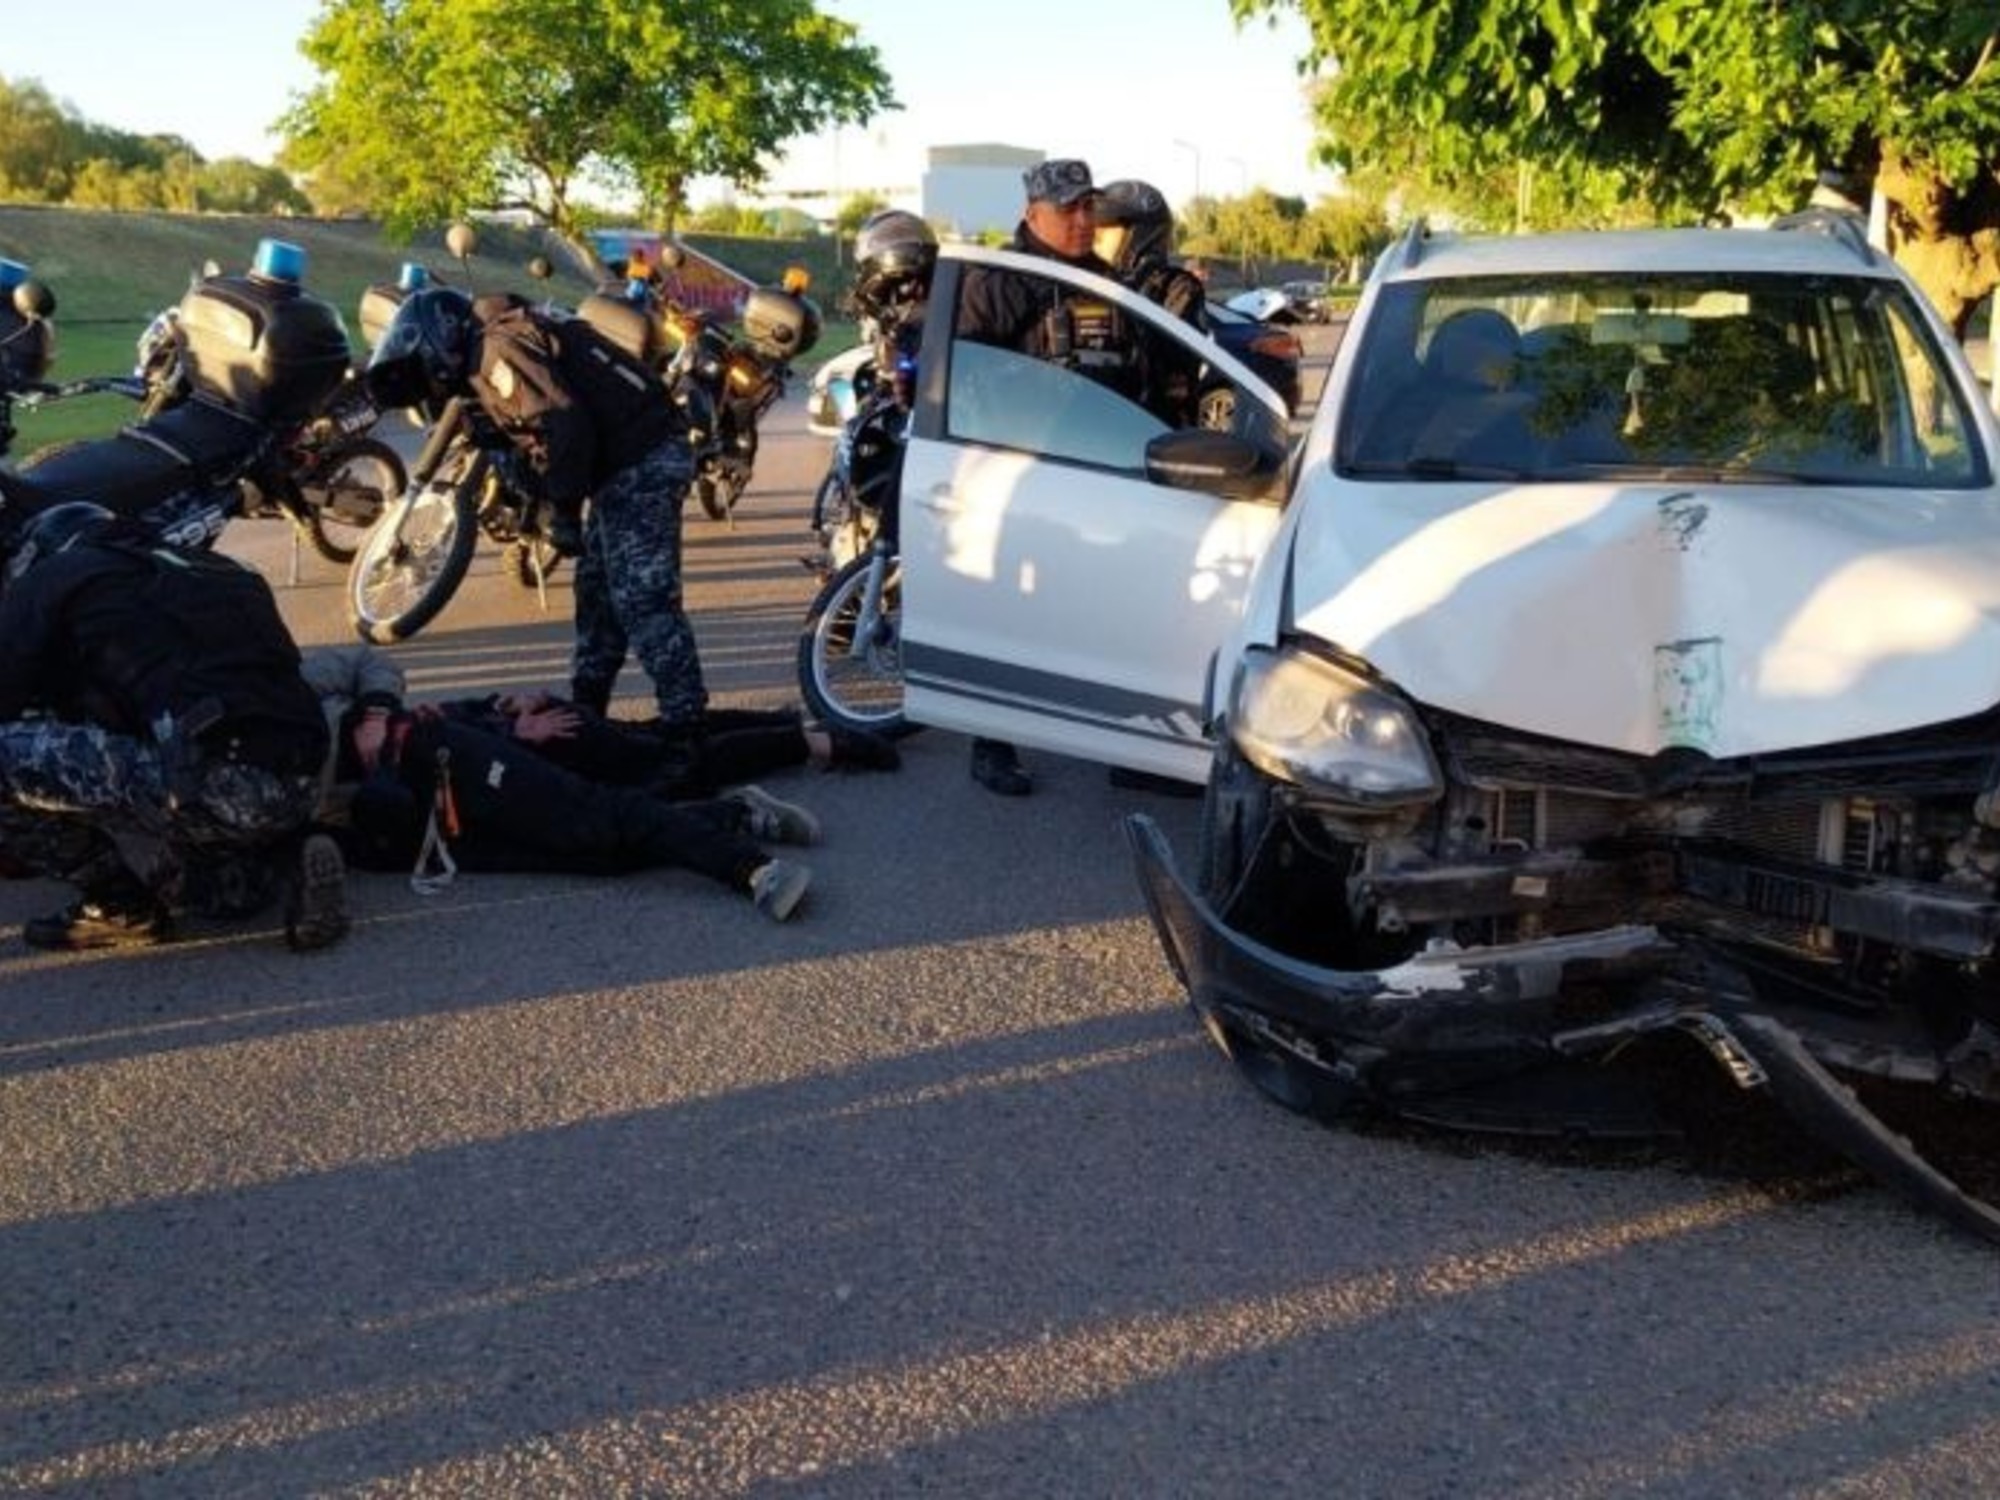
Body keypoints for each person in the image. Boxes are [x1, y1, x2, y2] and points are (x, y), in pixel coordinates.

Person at [365, 286, 708, 748]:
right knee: (597, 594)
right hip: (622, 464)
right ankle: (587, 710)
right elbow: (546, 436)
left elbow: (565, 425)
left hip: (644, 457)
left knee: (641, 597)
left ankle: (687, 725)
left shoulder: (497, 349)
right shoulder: (496, 344)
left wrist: (562, 510)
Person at [0, 503, 347, 951]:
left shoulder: (55, 578)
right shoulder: (225, 570)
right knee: (218, 898)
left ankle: (119, 907)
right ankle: (285, 856)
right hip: (302, 780)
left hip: (211, 782)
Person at [298, 645, 817, 922]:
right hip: (400, 829)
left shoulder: (283, 684)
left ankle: (752, 870)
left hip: (427, 757)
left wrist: (377, 710)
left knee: (600, 812)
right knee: (595, 857)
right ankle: (732, 814)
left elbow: (369, 660)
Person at [952, 157, 1136, 797]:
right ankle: (992, 740)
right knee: (1010, 611)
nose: (1083, 220)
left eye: (1089, 207)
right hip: (1024, 473)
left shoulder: (1107, 282)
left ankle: (1122, 742)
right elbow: (965, 373)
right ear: (1033, 214)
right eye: (1069, 209)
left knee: (1102, 606)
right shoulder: (1001, 280)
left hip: (1103, 471)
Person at [1092, 177, 1209, 426]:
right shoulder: (1093, 285)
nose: (1095, 240)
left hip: (1154, 426)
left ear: (1138, 236)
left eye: (1105, 232)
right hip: (1098, 421)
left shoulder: (1178, 288)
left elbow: (1174, 362)